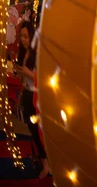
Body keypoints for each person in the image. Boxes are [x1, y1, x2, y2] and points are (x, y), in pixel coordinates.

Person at [15, 22, 50, 179]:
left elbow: (43, 79)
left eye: (26, 36)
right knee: (32, 129)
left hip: (37, 96)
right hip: (28, 94)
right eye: (21, 36)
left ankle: (47, 165)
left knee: (38, 131)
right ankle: (44, 162)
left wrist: (29, 75)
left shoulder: (38, 54)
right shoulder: (24, 53)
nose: (23, 40)